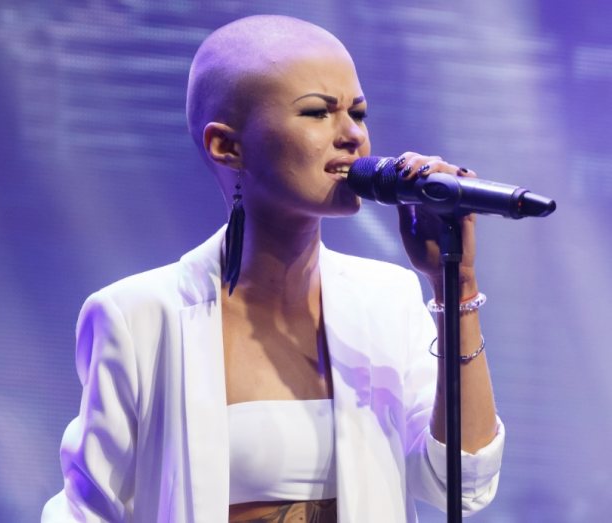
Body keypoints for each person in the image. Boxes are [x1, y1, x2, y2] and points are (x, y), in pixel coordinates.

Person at [42, 14, 504, 523]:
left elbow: (464, 482)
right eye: (317, 112)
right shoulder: (138, 317)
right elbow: (88, 511)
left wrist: (456, 286)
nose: (352, 135)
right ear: (227, 145)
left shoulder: (386, 298)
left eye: (358, 113)